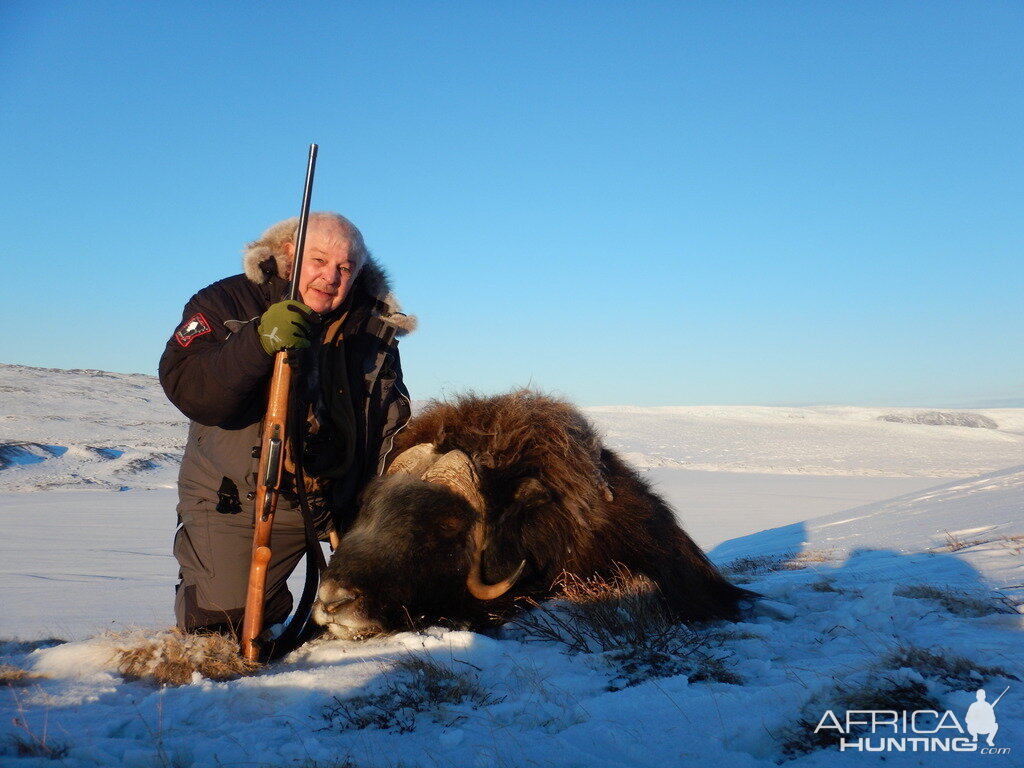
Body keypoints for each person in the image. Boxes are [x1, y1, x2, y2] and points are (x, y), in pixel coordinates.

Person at [159, 212, 414, 635]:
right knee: (224, 626)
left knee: (384, 614)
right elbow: (191, 390)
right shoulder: (225, 302)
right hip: (238, 497)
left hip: (336, 501)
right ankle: (232, 599)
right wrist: (257, 341)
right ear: (289, 254)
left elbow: (390, 421)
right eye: (318, 261)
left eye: (345, 268)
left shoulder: (373, 326)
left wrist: (381, 505)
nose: (330, 277)